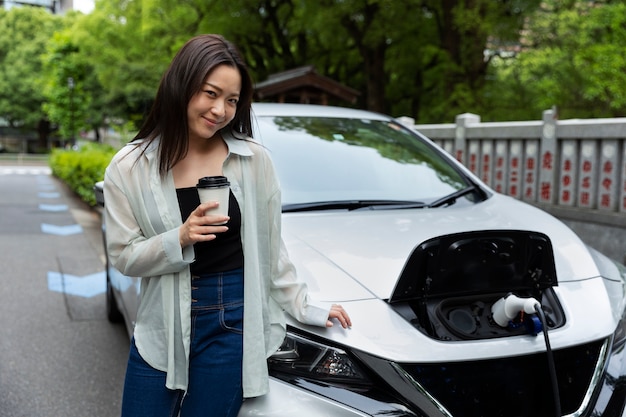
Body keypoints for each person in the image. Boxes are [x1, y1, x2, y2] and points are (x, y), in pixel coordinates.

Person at [103, 34, 352, 417]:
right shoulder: (130, 166)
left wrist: (307, 308)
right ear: (182, 86)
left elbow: (271, 251)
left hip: (233, 320)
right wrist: (179, 238)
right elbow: (123, 255)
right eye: (210, 93)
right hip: (163, 320)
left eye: (232, 100)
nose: (220, 109)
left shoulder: (253, 161)